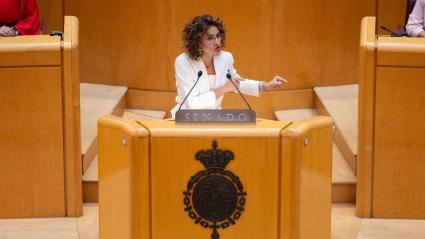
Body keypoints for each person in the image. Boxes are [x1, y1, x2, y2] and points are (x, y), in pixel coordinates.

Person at [171, 15, 287, 118]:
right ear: (197, 42)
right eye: (210, 38)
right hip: (186, 119)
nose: (217, 42)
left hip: (215, 118)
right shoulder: (183, 62)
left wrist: (265, 85)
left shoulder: (225, 58)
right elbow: (192, 104)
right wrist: (224, 89)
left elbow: (235, 83)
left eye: (218, 36)